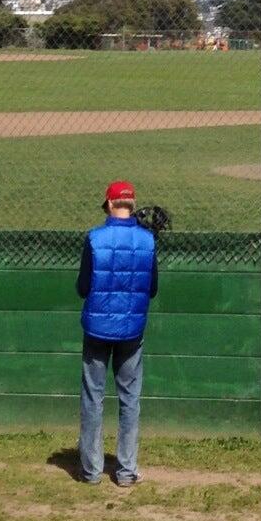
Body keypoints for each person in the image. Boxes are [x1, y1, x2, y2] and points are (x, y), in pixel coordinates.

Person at [77, 180, 157, 488]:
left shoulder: (95, 239)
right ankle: (126, 471)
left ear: (110, 204)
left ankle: (91, 471)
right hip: (131, 331)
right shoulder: (148, 240)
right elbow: (152, 289)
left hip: (97, 329)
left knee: (93, 397)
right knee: (130, 399)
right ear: (132, 205)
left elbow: (83, 287)